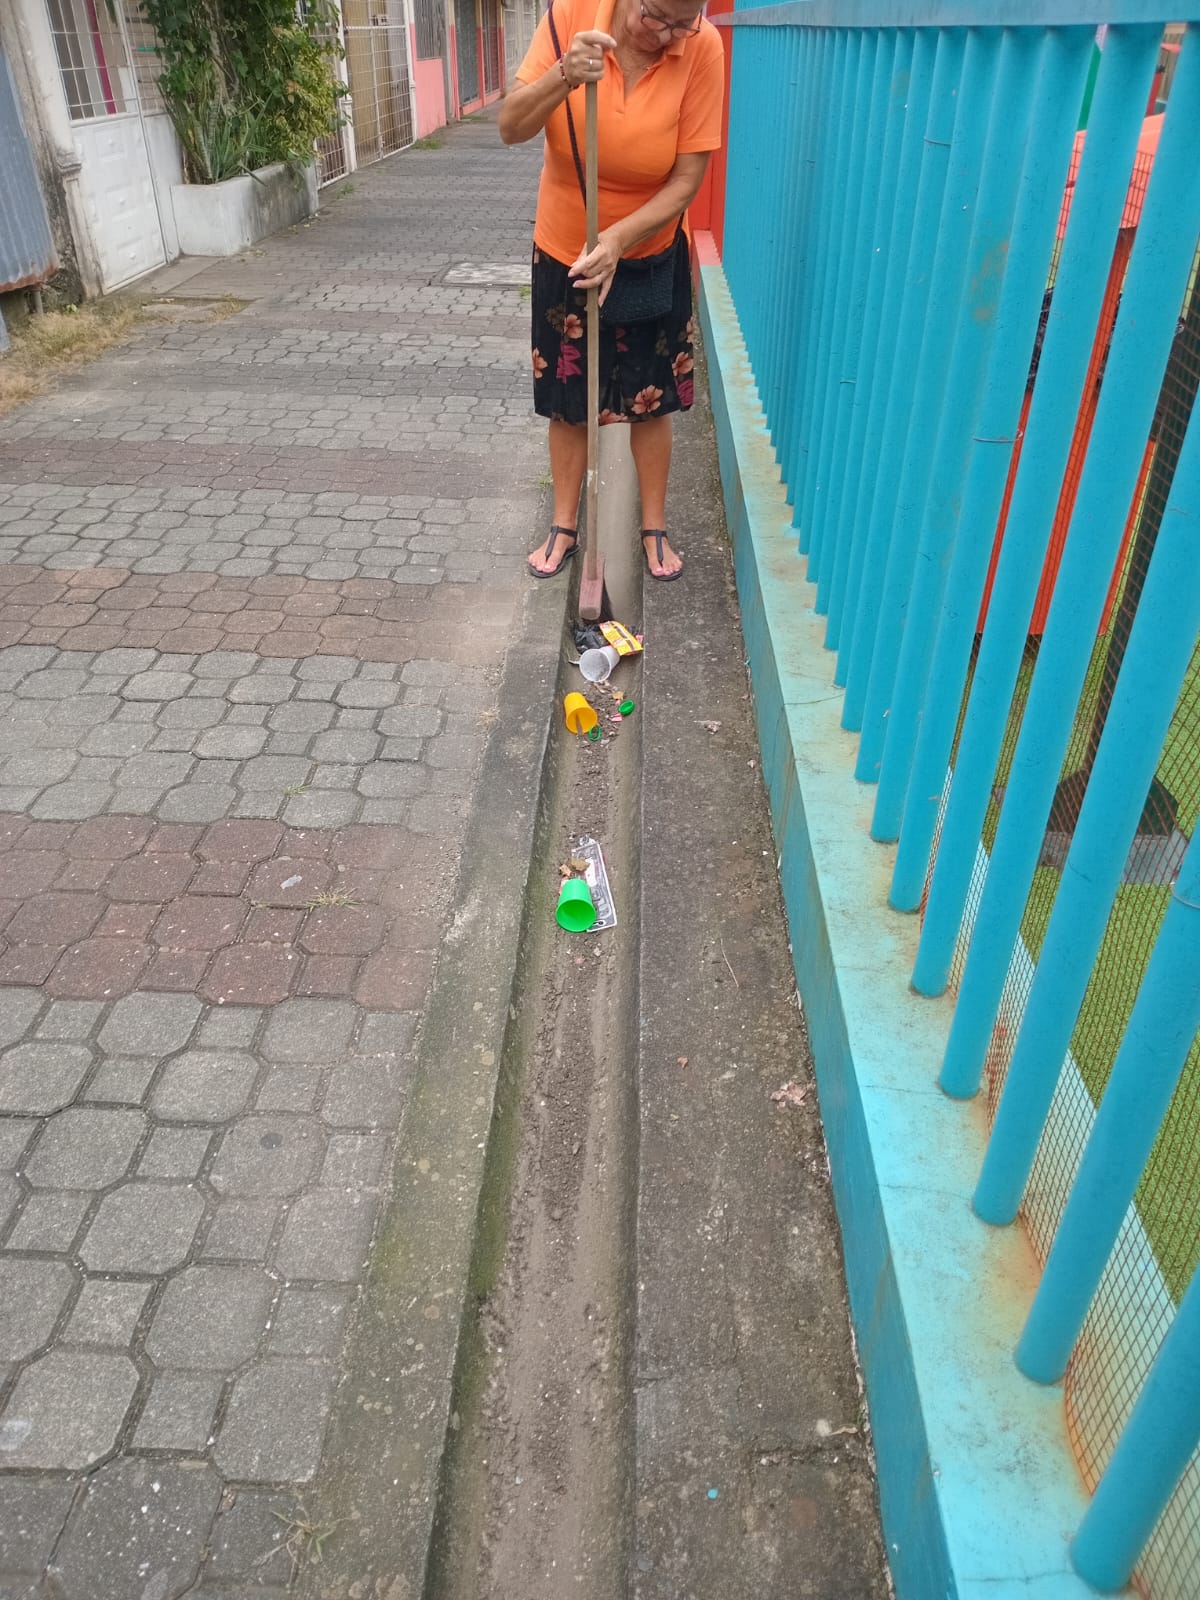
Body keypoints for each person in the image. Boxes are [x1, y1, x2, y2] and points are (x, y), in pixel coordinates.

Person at [499, 0, 724, 581]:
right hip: (567, 252)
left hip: (648, 253)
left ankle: (654, 526)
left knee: (652, 399)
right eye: (656, 17)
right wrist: (564, 74)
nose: (667, 35)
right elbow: (511, 127)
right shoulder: (571, 15)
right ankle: (564, 524)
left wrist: (621, 238)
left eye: (682, 23)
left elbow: (688, 179)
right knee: (568, 398)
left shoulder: (702, 47)